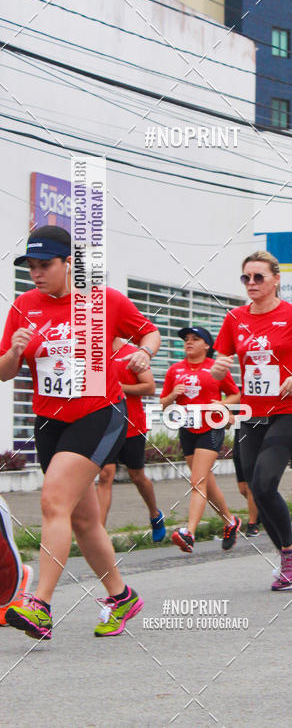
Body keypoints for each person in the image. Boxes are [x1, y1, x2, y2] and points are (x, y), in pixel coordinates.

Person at [0, 226, 159, 639]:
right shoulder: (23, 306)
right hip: (49, 422)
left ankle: (40, 605)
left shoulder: (103, 300)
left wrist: (144, 351)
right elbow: (4, 373)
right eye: (31, 267)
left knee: (53, 502)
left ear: (69, 263)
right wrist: (14, 351)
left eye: (45, 265)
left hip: (98, 412)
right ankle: (122, 596)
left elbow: (149, 331)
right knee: (84, 520)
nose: (37, 274)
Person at [211, 251, 292, 590]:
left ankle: (291, 555)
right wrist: (219, 367)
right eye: (246, 278)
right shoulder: (235, 318)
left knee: (264, 483)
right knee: (253, 490)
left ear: (276, 279)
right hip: (251, 416)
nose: (251, 284)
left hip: (286, 413)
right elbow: (223, 357)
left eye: (258, 277)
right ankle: (289, 555)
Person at [160, 326, 242, 553]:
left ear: (207, 345)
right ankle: (230, 521)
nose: (189, 342)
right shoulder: (174, 370)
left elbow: (235, 394)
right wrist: (173, 395)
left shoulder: (215, 369)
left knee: (197, 481)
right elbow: (162, 404)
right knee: (205, 482)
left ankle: (189, 533)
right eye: (186, 339)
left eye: (195, 339)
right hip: (187, 428)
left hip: (211, 427)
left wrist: (223, 404)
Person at [96, 338, 165, 542]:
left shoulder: (132, 353)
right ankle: (98, 533)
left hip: (131, 425)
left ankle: (155, 514)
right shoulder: (95, 352)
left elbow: (149, 387)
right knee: (105, 475)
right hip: (104, 426)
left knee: (137, 475)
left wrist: (118, 387)